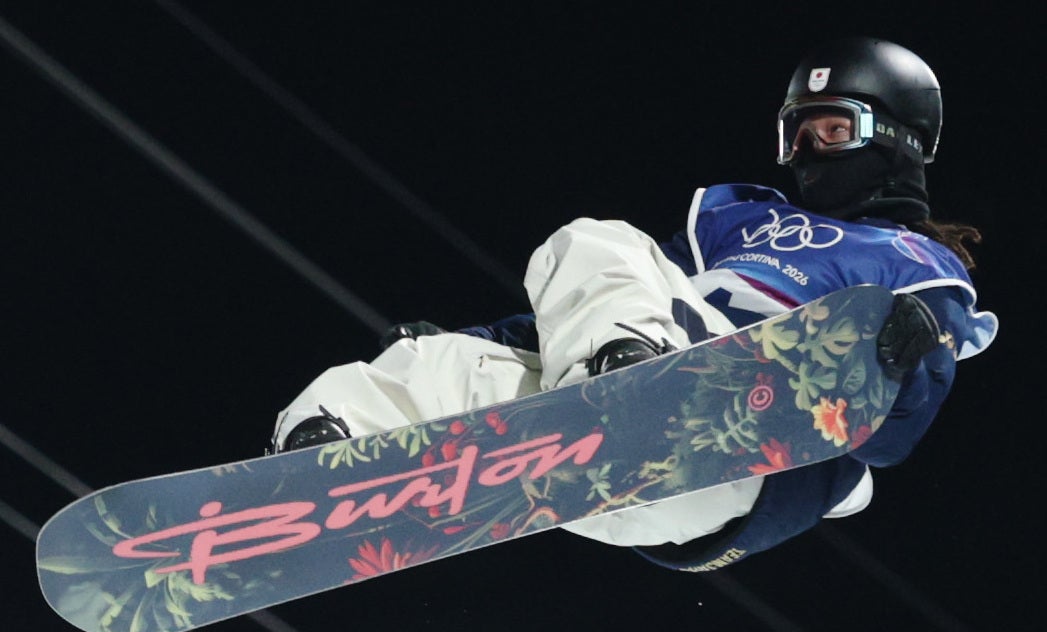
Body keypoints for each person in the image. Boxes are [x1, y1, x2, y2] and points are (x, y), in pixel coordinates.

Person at [271, 37, 997, 572]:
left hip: (734, 445)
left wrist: (905, 355)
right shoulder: (732, 219)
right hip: (621, 476)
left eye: (831, 129)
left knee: (596, 238)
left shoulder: (915, 268)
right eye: (794, 132)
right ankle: (314, 464)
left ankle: (634, 396)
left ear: (893, 138)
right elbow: (602, 300)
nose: (807, 148)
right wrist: (467, 343)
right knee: (455, 355)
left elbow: (889, 441)